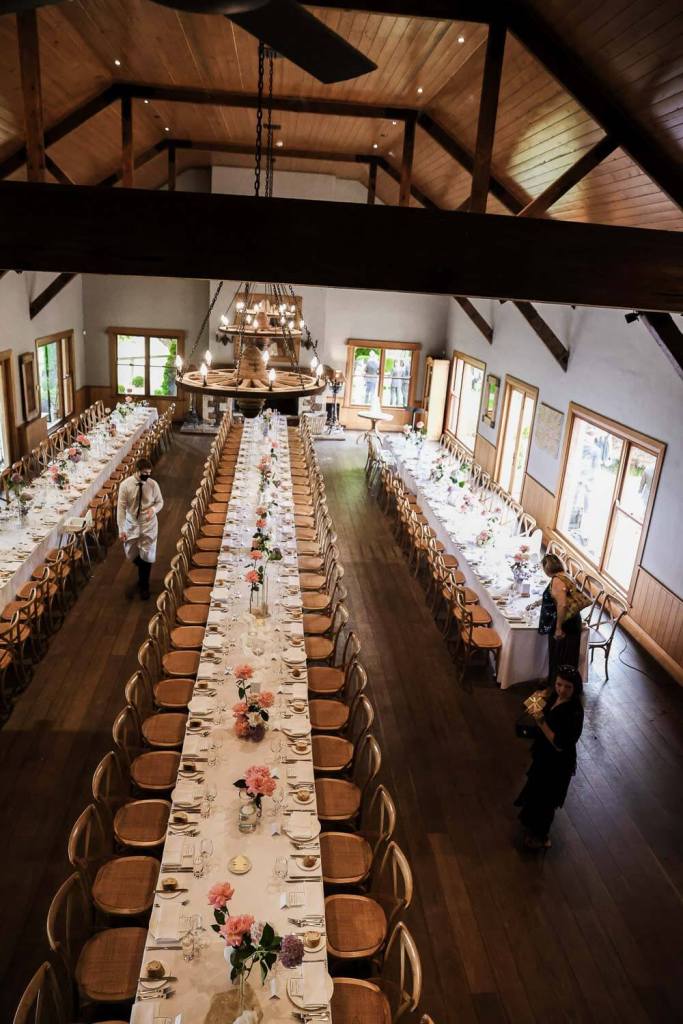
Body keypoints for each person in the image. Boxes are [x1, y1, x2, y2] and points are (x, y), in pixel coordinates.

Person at [514, 666, 584, 849]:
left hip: (557, 764)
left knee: (546, 800)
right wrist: (536, 697)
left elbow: (560, 744)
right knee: (536, 791)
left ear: (575, 688)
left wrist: (540, 720)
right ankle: (531, 827)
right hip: (544, 756)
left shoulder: (574, 712)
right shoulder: (555, 697)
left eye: (568, 686)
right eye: (559, 684)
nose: (562, 690)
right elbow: (528, 706)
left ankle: (541, 837)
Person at [117, 457, 164, 600]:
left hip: (148, 524)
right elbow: (121, 509)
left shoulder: (153, 485)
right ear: (136, 471)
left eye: (149, 473)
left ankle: (144, 586)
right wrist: (121, 529)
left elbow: (160, 501)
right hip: (131, 524)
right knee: (130, 553)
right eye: (144, 473)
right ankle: (143, 575)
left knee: (147, 555)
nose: (147, 476)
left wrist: (154, 509)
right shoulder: (125, 485)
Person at [538, 552, 582, 684]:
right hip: (573, 620)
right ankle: (558, 681)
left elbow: (562, 604)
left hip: (565, 623)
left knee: (559, 655)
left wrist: (558, 627)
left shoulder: (557, 580)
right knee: (565, 655)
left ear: (547, 568)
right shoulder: (566, 575)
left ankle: (555, 685)